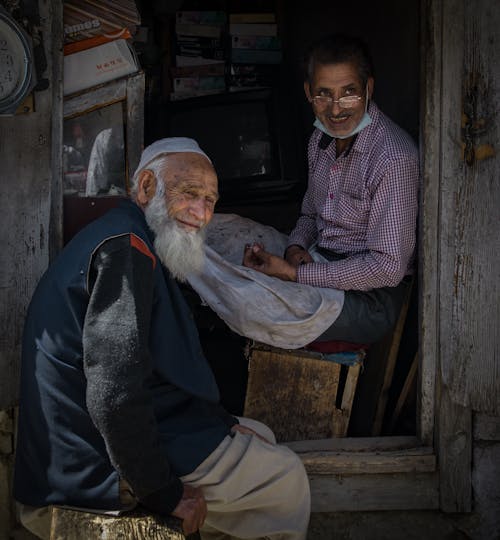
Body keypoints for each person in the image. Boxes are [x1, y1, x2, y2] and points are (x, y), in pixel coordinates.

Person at [13, 137, 310, 540]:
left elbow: (143, 370)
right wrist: (163, 492)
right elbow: (114, 393)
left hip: (101, 435)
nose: (201, 213)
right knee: (285, 478)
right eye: (189, 194)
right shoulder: (125, 249)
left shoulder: (127, 235)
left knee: (260, 434)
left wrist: (221, 423)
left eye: (210, 200)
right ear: (147, 187)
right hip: (90, 462)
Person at [243, 34, 419, 344]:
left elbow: (388, 269)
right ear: (309, 93)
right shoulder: (320, 141)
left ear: (368, 89)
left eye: (349, 93)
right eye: (324, 94)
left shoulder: (393, 158)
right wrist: (295, 249)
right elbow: (311, 214)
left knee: (250, 303)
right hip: (319, 262)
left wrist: (296, 275)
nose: (336, 109)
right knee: (228, 248)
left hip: (370, 298)